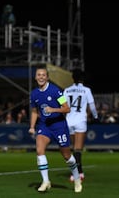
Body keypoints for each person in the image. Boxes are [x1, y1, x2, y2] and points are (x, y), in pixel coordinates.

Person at [28, 64, 82, 193]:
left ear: (47, 77)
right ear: (35, 77)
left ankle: (76, 178)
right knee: (39, 149)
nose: (41, 77)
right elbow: (35, 111)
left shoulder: (55, 91)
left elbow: (67, 108)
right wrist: (32, 126)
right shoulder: (34, 93)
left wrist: (53, 109)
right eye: (38, 75)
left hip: (59, 126)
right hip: (44, 126)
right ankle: (45, 181)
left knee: (67, 156)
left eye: (43, 75)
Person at [63, 69, 99, 182]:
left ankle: (78, 172)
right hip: (80, 121)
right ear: (82, 78)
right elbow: (92, 107)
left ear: (73, 78)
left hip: (68, 121)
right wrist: (96, 117)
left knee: (74, 148)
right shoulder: (86, 90)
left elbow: (63, 106)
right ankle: (77, 174)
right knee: (78, 149)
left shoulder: (66, 90)